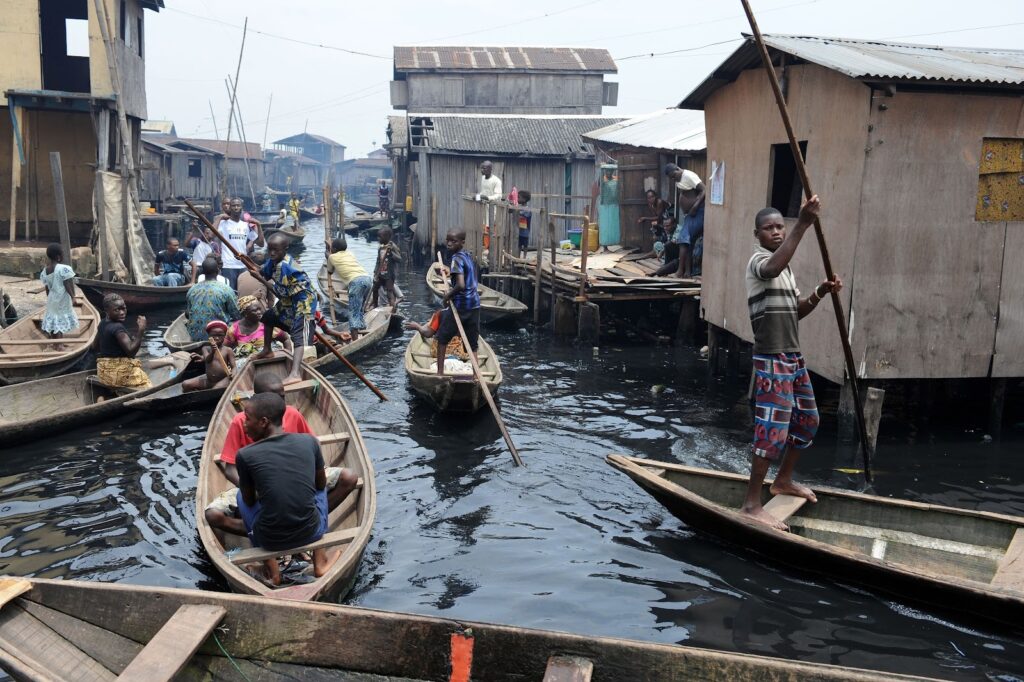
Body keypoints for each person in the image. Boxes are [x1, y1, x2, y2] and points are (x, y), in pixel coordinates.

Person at [740, 196, 842, 531]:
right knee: (772, 431)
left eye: (779, 227)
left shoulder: (785, 267)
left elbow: (796, 311)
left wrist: (820, 292)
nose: (776, 232)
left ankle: (782, 480)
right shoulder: (759, 262)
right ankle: (751, 505)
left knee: (808, 421)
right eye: (768, 229)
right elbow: (771, 268)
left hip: (792, 356)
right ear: (757, 235)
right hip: (771, 357)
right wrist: (804, 224)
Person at [207, 392, 356, 584]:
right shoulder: (309, 442)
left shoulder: (245, 455)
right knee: (318, 489)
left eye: (247, 419)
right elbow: (320, 485)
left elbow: (249, 501)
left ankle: (272, 572)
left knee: (241, 498)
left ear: (263, 422)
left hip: (268, 541)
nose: (244, 424)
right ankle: (321, 562)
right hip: (312, 532)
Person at [253, 233, 320, 384]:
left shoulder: (285, 266)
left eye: (276, 250)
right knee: (268, 317)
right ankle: (267, 350)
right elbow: (264, 271)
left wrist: (258, 278)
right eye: (269, 249)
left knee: (298, 335)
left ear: (285, 249)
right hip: (289, 298)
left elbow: (279, 292)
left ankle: (295, 373)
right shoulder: (273, 261)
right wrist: (249, 264)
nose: (272, 253)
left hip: (304, 300)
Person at [434, 230, 480, 375]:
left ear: (462, 242)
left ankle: (440, 373)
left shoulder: (456, 259)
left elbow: (460, 285)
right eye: (448, 240)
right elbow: (465, 277)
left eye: (453, 241)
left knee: (442, 339)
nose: (449, 244)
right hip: (474, 305)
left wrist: (447, 296)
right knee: (473, 344)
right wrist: (450, 273)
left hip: (461, 306)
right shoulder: (467, 256)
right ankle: (475, 376)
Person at [95, 294, 151, 388]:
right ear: (107, 310)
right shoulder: (117, 328)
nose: (122, 312)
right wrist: (141, 330)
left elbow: (95, 346)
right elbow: (131, 352)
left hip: (104, 372)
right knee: (147, 386)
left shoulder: (102, 323)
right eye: (117, 310)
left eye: (124, 308)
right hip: (119, 374)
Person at [225, 295, 292, 366]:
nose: (259, 312)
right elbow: (224, 348)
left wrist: (288, 359)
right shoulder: (234, 329)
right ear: (245, 314)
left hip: (270, 363)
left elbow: (286, 339)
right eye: (255, 310)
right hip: (247, 366)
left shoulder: (268, 324)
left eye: (260, 309)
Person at [185, 257, 240, 342]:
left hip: (195, 335)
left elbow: (188, 314)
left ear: (203, 272)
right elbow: (237, 315)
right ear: (218, 270)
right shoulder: (226, 289)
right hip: (218, 335)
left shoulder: (192, 289)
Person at [327, 238, 373, 336]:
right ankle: (363, 330)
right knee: (359, 309)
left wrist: (328, 256)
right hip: (367, 279)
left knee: (353, 312)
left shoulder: (331, 257)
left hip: (356, 282)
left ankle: (354, 338)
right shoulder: (350, 253)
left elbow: (330, 271)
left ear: (334, 249)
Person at [39, 243, 78, 348]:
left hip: (52, 298)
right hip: (61, 298)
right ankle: (60, 345)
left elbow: (47, 288)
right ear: (58, 256)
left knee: (54, 319)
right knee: (59, 320)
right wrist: (73, 297)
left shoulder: (45, 271)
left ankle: (55, 343)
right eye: (62, 254)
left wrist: (49, 299)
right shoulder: (63, 268)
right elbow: (67, 284)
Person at [182, 320, 235, 392]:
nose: (217, 338)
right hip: (209, 380)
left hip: (223, 379)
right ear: (209, 336)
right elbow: (207, 360)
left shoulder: (228, 350)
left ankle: (211, 391)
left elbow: (234, 367)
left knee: (214, 391)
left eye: (220, 335)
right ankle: (198, 393)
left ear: (224, 336)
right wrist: (213, 351)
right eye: (213, 335)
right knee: (185, 384)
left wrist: (233, 374)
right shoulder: (205, 348)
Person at [673, 170, 705, 278]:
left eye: (673, 175)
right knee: (689, 243)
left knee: (683, 240)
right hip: (690, 215)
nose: (673, 178)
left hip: (696, 213)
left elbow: (704, 189)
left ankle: (680, 270)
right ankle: (687, 271)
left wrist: (695, 206)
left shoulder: (690, 178)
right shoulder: (682, 181)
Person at [214, 198, 251, 290]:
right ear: (230, 208)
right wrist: (219, 217)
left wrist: (257, 225)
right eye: (233, 206)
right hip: (228, 265)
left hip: (243, 265)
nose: (236, 208)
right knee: (230, 292)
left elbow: (258, 241)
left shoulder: (245, 225)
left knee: (243, 292)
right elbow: (211, 234)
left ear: (241, 208)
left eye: (238, 205)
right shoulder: (223, 223)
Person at [405, 310, 469, 361]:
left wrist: (417, 327)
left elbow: (428, 334)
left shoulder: (440, 313)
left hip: (438, 352)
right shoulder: (467, 314)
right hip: (458, 351)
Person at [369, 227, 401, 309]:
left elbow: (399, 259)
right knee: (375, 289)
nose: (378, 239)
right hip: (380, 274)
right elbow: (378, 261)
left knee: (389, 292)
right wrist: (375, 272)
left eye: (380, 237)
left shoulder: (392, 247)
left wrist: (391, 254)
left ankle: (392, 308)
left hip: (389, 275)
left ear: (387, 237)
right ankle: (375, 306)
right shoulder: (381, 248)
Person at [597, 164, 620, 251]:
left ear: (613, 172)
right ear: (605, 171)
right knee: (605, 226)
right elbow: (599, 184)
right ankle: (604, 245)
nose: (609, 172)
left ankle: (616, 242)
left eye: (610, 171)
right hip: (605, 206)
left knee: (614, 225)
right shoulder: (602, 180)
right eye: (607, 171)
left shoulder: (616, 179)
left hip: (615, 205)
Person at [516, 190, 532, 258]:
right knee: (519, 245)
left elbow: (523, 214)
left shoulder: (527, 209)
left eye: (519, 197)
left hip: (525, 232)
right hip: (519, 231)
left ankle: (524, 257)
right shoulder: (519, 207)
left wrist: (517, 211)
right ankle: (518, 257)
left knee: (525, 245)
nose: (517, 199)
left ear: (524, 199)